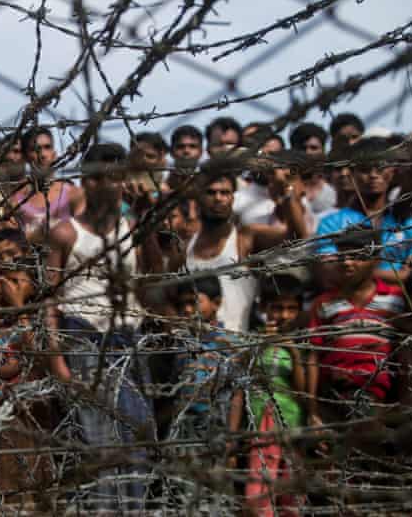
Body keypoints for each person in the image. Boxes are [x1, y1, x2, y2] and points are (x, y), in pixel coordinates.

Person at [45, 142, 162, 511]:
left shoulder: (132, 229)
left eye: (114, 178)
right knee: (100, 442)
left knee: (137, 437)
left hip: (128, 340)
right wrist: (57, 361)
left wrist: (149, 220)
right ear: (85, 182)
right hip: (84, 339)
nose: (106, 186)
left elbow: (155, 279)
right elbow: (48, 301)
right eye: (97, 179)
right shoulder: (67, 234)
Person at [182, 156, 308, 334]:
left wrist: (286, 190)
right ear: (199, 197)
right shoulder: (186, 245)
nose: (218, 198)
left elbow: (296, 237)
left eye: (225, 193)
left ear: (233, 198)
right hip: (193, 348)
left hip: (236, 346)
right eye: (211, 192)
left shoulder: (245, 238)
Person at [306, 227, 410, 435]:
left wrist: (406, 403)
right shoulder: (325, 303)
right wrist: (312, 410)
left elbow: (407, 353)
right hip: (335, 395)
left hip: (378, 395)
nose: (347, 262)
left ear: (375, 259)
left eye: (357, 256)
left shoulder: (396, 300)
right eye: (342, 256)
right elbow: (312, 357)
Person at [0, 257, 54, 511]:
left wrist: (19, 308)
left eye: (15, 281)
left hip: (35, 409)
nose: (7, 287)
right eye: (3, 282)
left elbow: (39, 355)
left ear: (34, 287)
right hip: (6, 412)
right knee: (10, 477)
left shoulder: (41, 321)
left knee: (39, 475)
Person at [168, 275, 241, 510]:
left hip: (216, 428)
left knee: (216, 494)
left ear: (217, 303)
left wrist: (231, 437)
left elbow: (237, 393)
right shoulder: (178, 344)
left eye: (194, 302)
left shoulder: (229, 344)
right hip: (184, 430)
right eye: (182, 305)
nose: (188, 310)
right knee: (184, 495)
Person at [315, 138, 412, 283]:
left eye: (380, 168)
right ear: (352, 174)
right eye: (365, 170)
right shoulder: (332, 223)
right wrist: (398, 276)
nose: (373, 175)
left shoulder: (406, 221)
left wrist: (359, 270)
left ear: (392, 171)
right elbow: (330, 271)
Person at [243, 274, 307, 517]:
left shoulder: (302, 342)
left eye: (292, 308)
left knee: (290, 489)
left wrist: (291, 348)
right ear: (263, 308)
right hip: (261, 424)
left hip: (292, 422)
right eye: (277, 308)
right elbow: (243, 380)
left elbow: (302, 390)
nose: (284, 315)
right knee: (259, 486)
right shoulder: (254, 339)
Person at [10, 127, 84, 242]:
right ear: (25, 157)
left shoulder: (72, 194)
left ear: (54, 153)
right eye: (35, 149)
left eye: (47, 147)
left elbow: (82, 235)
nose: (42, 154)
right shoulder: (16, 199)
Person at [290, 122, 336, 215]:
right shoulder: (283, 184)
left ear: (323, 151)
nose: (308, 153)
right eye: (302, 148)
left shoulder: (335, 183)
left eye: (314, 148)